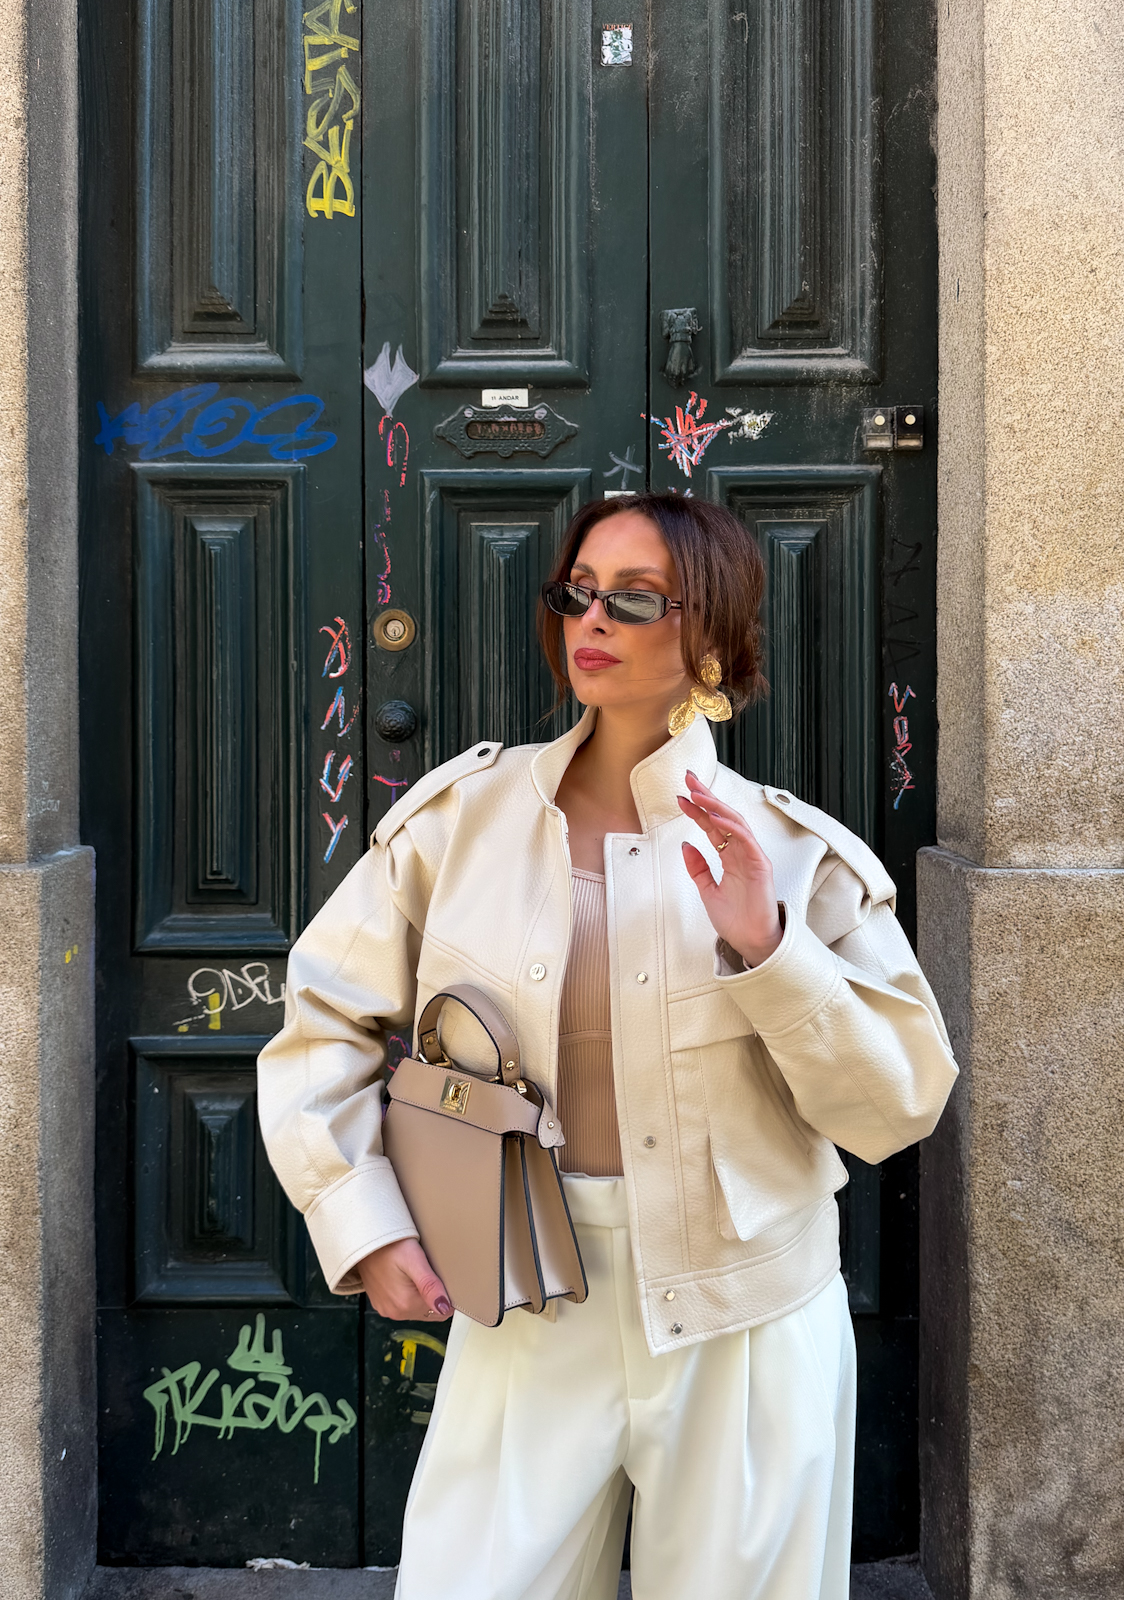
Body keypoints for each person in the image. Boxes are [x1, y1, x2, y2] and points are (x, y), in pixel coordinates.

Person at [258, 492, 958, 1600]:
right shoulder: (461, 820)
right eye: (579, 591)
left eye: (635, 599)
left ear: (713, 635)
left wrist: (769, 947)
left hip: (744, 1312)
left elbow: (898, 1103)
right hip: (525, 1286)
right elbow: (323, 1020)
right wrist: (363, 1219)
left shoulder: (794, 854)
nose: (592, 618)